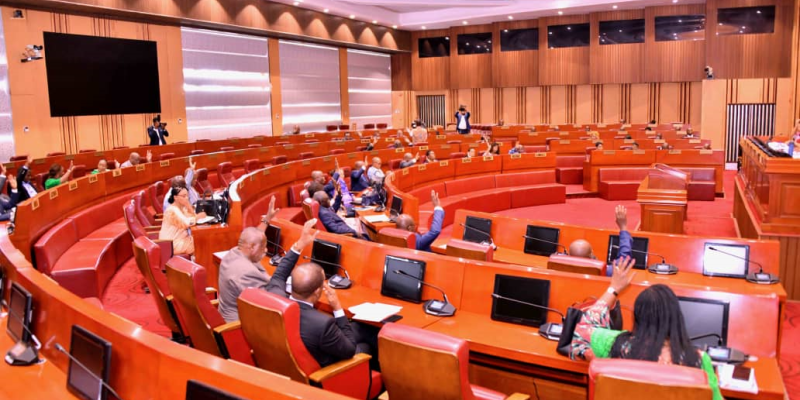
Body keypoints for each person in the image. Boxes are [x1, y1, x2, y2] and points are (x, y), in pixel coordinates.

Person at [570, 257, 722, 400]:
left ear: (637, 317)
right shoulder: (698, 360)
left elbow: (584, 328)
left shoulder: (615, 343)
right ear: (676, 317)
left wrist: (613, 289)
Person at [266, 219, 380, 369]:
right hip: (327, 368)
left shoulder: (274, 295)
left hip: (298, 351)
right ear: (317, 292)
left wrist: (300, 244)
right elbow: (350, 349)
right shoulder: (322, 324)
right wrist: (337, 308)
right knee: (366, 345)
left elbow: (279, 275)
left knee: (361, 329)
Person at [218, 196, 280, 322]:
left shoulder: (233, 252)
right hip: (239, 325)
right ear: (251, 247)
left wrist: (267, 219)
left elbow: (253, 237)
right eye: (263, 247)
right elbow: (268, 301)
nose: (266, 250)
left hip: (228, 313)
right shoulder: (246, 272)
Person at [569, 206, 631, 273]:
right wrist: (623, 226)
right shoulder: (603, 272)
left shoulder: (560, 269)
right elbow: (624, 260)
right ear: (591, 255)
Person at [159, 187, 207, 256]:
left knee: (203, 239)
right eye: (184, 196)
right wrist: (197, 217)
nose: (187, 198)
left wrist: (188, 206)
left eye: (187, 196)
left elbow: (192, 216)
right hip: (172, 244)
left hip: (181, 240)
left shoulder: (182, 208)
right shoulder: (172, 210)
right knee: (202, 242)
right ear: (175, 197)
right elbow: (186, 223)